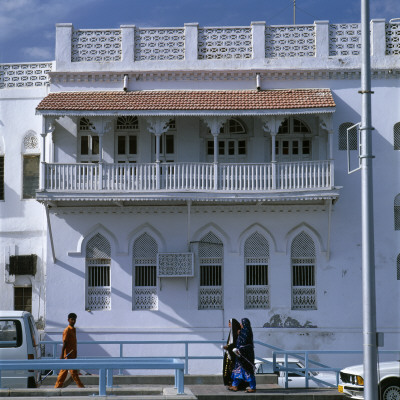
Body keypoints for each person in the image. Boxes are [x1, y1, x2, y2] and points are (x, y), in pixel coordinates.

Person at [54, 313, 85, 388]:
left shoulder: (73, 330)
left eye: (74, 319)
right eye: (72, 319)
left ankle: (81, 387)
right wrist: (62, 355)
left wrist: (75, 353)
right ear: (68, 320)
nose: (73, 321)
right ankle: (57, 387)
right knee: (64, 373)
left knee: (73, 372)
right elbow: (65, 343)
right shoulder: (67, 330)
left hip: (72, 355)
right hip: (67, 356)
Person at [229, 318, 256, 393]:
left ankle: (253, 387)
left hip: (246, 355)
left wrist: (240, 349)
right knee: (238, 370)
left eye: (241, 323)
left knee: (248, 371)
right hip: (240, 355)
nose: (240, 324)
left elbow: (246, 344)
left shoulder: (246, 331)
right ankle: (235, 386)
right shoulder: (242, 332)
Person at [222, 318, 240, 387]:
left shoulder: (236, 333)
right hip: (228, 353)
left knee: (232, 368)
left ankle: (233, 383)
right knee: (227, 368)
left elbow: (234, 344)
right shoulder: (231, 332)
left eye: (230, 323)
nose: (229, 325)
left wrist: (228, 346)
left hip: (233, 354)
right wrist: (228, 346)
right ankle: (228, 382)